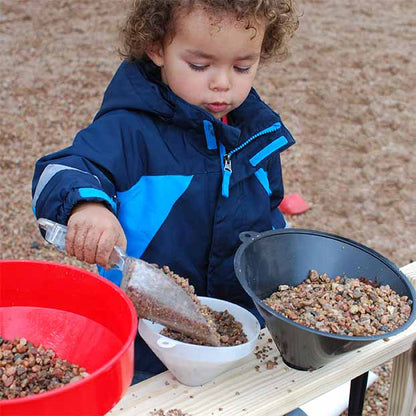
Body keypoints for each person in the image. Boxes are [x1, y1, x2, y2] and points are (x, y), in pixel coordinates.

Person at [32, 0, 299, 382]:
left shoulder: (257, 136)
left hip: (236, 334)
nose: (222, 82)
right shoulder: (130, 130)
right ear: (157, 47)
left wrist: (281, 265)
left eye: (242, 66)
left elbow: (269, 213)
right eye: (199, 65)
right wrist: (87, 206)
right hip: (146, 343)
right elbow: (62, 169)